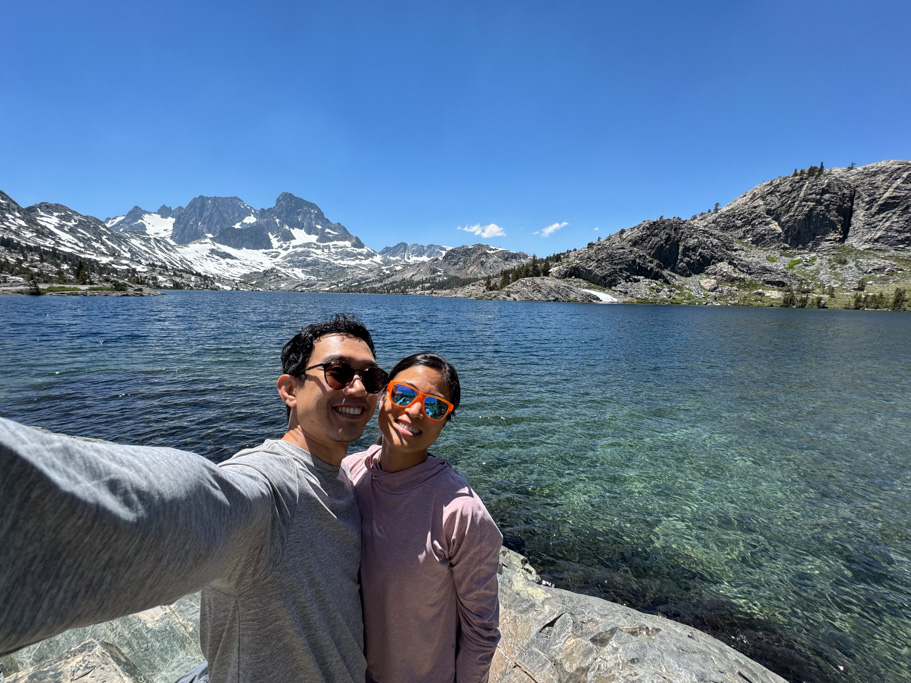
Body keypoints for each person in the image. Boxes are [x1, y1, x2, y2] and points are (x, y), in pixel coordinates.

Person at [0, 314, 385, 683]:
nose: (357, 388)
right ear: (289, 390)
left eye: (371, 377)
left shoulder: (344, 476)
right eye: (337, 373)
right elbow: (197, 498)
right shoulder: (270, 486)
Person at [345, 352, 502, 683]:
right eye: (403, 394)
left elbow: (481, 629)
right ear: (383, 394)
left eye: (435, 408)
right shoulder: (350, 473)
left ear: (444, 422)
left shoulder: (461, 512)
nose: (415, 411)